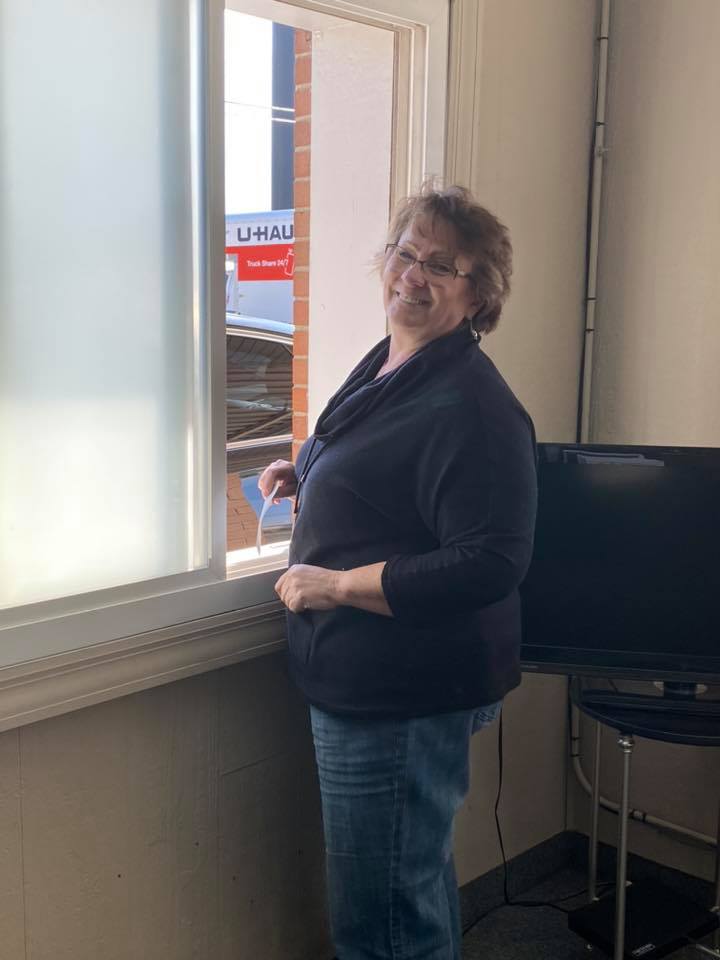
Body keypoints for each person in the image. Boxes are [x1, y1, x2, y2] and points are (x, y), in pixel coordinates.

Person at [259, 184, 537, 960]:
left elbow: (491, 560)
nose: (412, 275)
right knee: (405, 888)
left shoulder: (475, 405)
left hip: (403, 695)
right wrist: (308, 471)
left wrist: (335, 584)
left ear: (478, 295)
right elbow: (387, 460)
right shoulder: (395, 360)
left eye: (440, 265)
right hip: (371, 683)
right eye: (405, 253)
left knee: (381, 917)